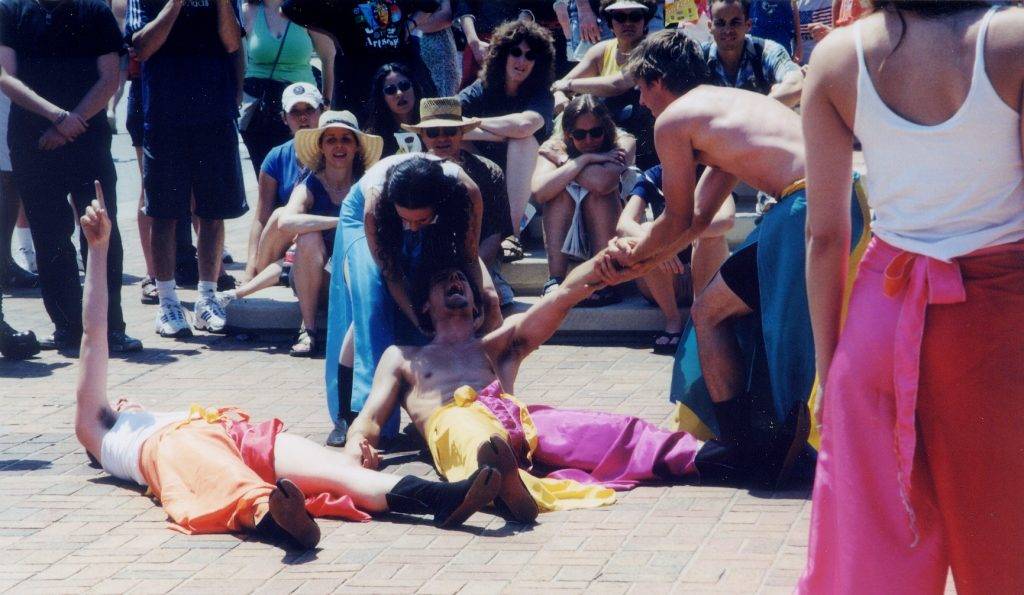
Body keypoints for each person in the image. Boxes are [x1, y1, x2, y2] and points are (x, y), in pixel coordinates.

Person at [73, 189, 503, 548]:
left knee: (344, 474)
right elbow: (94, 339)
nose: (125, 398)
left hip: (232, 430)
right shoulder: (101, 430)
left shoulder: (145, 416)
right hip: (178, 447)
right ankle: (281, 523)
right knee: (239, 489)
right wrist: (98, 250)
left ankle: (442, 498)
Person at [799, 3, 1024, 592]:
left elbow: (825, 234)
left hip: (881, 314)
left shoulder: (837, 56)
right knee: (1008, 548)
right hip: (999, 323)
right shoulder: (1015, 40)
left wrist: (829, 371)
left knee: (873, 555)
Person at [598, 29, 869, 488]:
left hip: (804, 210)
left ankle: (745, 447)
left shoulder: (673, 121)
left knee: (715, 313)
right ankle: (761, 439)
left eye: (641, 88)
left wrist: (630, 256)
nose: (641, 102)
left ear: (658, 80)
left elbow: (678, 217)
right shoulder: (732, 103)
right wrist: (644, 258)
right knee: (730, 312)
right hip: (847, 202)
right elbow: (699, 218)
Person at [343, 250, 750, 524]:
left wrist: (603, 262)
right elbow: (370, 418)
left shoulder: (497, 345)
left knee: (614, 429)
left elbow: (563, 298)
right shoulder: (404, 355)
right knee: (472, 436)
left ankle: (723, 458)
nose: (454, 279)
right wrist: (356, 445)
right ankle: (506, 489)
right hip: (454, 422)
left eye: (460, 278)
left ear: (477, 304)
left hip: (517, 417)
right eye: (442, 280)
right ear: (425, 306)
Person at [323, 154, 501, 448]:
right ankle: (351, 414)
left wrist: (481, 300)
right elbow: (391, 276)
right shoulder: (375, 205)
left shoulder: (466, 193)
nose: (413, 228)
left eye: (421, 219)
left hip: (426, 216)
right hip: (360, 220)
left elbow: (469, 255)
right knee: (373, 301)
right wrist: (417, 317)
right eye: (406, 219)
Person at [0, 0, 142, 353]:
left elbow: (110, 77)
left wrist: (69, 123)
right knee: (50, 236)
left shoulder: (94, 11)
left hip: (87, 138)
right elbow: (5, 76)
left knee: (100, 232)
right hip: (32, 138)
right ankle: (66, 328)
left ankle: (110, 328)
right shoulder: (11, 11)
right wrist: (57, 116)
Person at [127, 0, 249, 338]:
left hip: (214, 114)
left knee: (212, 212)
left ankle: (207, 299)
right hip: (165, 116)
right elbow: (142, 47)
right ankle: (168, 302)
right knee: (164, 213)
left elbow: (231, 42)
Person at [221, 111, 382, 357]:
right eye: (331, 140)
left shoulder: (366, 182)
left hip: (352, 276)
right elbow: (286, 221)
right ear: (321, 147)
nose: (339, 146)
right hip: (313, 278)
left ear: (357, 147)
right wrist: (339, 221)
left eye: (346, 139)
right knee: (307, 237)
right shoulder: (310, 183)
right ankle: (309, 331)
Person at [458, 20, 555, 261]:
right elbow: (447, 122)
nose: (522, 61)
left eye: (530, 56)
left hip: (529, 191)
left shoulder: (541, 94)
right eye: (515, 52)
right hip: (488, 178)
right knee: (453, 140)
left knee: (522, 142)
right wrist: (503, 133)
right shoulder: (481, 88)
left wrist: (475, 123)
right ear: (502, 54)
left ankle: (512, 235)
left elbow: (525, 126)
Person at [404, 97, 515, 306]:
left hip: (478, 256)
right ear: (422, 135)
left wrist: (468, 273)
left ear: (462, 133)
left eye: (450, 131)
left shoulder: (489, 171)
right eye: (433, 132)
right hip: (425, 258)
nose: (442, 138)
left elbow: (495, 233)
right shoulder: (409, 173)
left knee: (493, 299)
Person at [618, 164, 734, 354]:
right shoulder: (654, 175)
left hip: (704, 270)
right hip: (667, 279)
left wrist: (673, 242)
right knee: (645, 232)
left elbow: (727, 219)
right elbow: (624, 223)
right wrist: (656, 246)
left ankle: (700, 319)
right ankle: (673, 320)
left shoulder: (713, 172)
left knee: (712, 235)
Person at [531, 94, 633, 307]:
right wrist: (586, 159)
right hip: (568, 235)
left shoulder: (624, 141)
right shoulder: (555, 145)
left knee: (598, 196)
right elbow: (540, 192)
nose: (588, 141)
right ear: (568, 135)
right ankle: (556, 279)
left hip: (611, 237)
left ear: (606, 128)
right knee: (557, 193)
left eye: (596, 133)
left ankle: (605, 279)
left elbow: (602, 184)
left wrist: (564, 161)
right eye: (580, 134)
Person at [280, 0, 438, 119]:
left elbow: (429, 5)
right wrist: (328, 30)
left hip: (401, 86)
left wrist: (410, 24)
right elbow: (288, 9)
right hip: (359, 91)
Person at [551, 0, 659, 169]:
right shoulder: (601, 50)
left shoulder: (651, 50)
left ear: (645, 20)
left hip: (635, 137)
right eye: (619, 17)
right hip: (599, 134)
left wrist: (568, 85)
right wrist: (560, 95)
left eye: (635, 16)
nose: (628, 23)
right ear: (610, 21)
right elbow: (558, 85)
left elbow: (618, 84)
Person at [239, 0, 336, 177]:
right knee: (267, 177)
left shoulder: (308, 9)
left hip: (301, 105)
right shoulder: (247, 11)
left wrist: (326, 102)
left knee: (307, 174)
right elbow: (238, 57)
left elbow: (328, 59)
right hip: (259, 110)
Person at [244, 82, 324, 282]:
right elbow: (262, 217)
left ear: (323, 111)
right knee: (280, 214)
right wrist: (249, 267)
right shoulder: (276, 157)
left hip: (320, 239)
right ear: (284, 118)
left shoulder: (336, 150)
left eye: (309, 109)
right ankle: (280, 270)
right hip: (284, 242)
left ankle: (285, 271)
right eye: (294, 112)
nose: (303, 117)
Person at [703, 0, 803, 104]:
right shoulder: (699, 56)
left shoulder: (767, 51)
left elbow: (796, 83)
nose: (727, 30)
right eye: (720, 23)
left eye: (735, 23)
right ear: (710, 26)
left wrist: (753, 111)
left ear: (748, 25)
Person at [364, 63, 423, 157]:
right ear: (382, 98)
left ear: (414, 88)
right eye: (390, 90)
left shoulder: (432, 127)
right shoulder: (373, 138)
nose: (399, 93)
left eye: (404, 85)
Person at [412, 0, 460, 96]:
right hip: (404, 50)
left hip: (437, 47)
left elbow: (445, 17)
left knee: (443, 99)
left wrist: (410, 25)